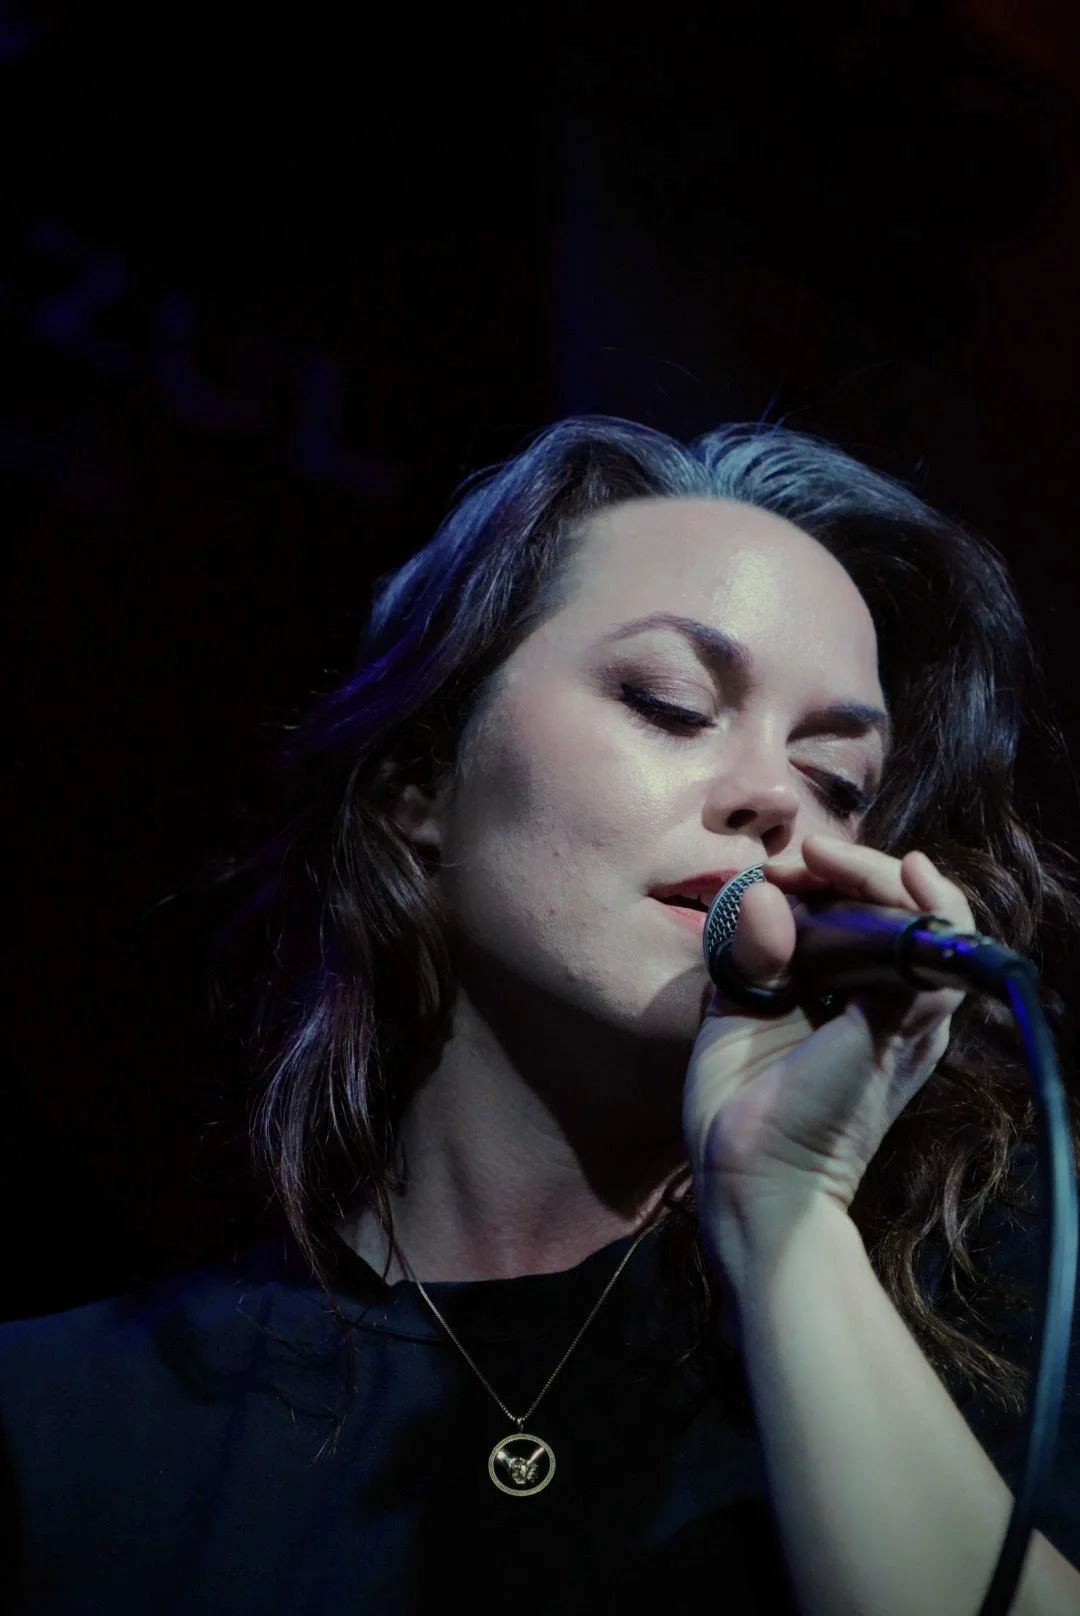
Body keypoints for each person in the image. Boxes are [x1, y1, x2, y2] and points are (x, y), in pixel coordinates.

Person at [3, 415, 1080, 1614]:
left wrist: (789, 1222)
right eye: (671, 703)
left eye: (839, 783)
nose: (778, 797)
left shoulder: (981, 1313)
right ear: (424, 780)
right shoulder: (60, 1418)